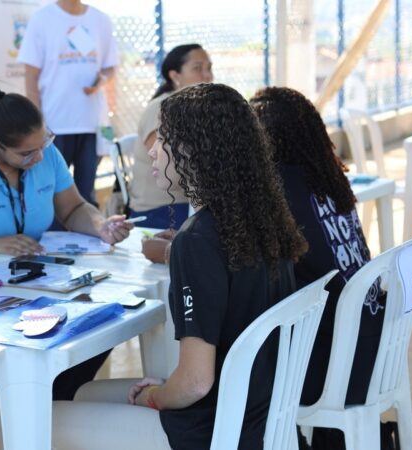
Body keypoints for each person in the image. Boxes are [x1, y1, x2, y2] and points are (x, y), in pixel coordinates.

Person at [51, 83, 308, 450]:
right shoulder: (262, 216)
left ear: (194, 150)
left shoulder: (197, 241)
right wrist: (161, 390)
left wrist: (154, 397)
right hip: (262, 414)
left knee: (47, 420)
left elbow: (194, 383)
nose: (151, 151)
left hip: (217, 430)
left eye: (163, 139)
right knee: (86, 392)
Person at [0, 83, 133, 400]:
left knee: (101, 321)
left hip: (32, 276)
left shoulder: (46, 156)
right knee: (46, 344)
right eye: (26, 153)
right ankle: (43, 411)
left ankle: (56, 407)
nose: (39, 157)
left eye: (44, 143)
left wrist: (101, 226)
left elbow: (73, 208)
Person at [250, 87, 387, 449]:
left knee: (235, 366)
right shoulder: (328, 178)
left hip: (332, 366)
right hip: (372, 348)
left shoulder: (276, 189)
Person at [18, 0, 118, 204]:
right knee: (52, 192)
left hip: (92, 123)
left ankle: (91, 233)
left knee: (86, 193)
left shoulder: (101, 20)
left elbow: (110, 67)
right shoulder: (42, 18)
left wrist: (102, 80)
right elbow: (31, 76)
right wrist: (36, 123)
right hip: (54, 124)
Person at [134, 44, 213, 265]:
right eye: (198, 68)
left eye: (209, 68)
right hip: (162, 208)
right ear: (175, 75)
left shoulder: (198, 109)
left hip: (190, 202)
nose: (207, 75)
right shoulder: (161, 108)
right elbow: (170, 163)